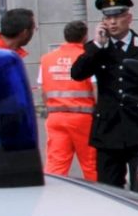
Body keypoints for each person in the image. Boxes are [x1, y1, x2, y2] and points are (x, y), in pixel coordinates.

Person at [71, 0, 138, 190]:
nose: (112, 23)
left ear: (129, 18)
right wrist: (98, 45)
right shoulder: (97, 49)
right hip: (108, 129)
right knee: (109, 190)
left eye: (117, 17)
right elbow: (77, 73)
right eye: (108, 17)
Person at [38, 20, 97, 181]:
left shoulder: (47, 59)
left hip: (55, 117)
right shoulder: (87, 57)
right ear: (85, 36)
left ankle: (52, 199)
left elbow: (43, 89)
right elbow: (95, 88)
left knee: (56, 165)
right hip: (83, 118)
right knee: (91, 163)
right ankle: (99, 198)